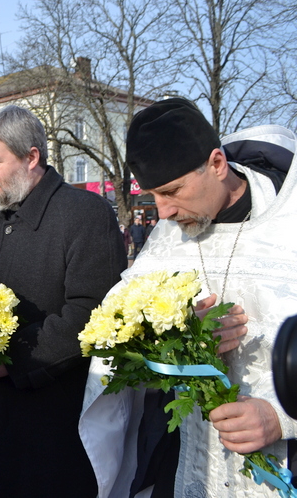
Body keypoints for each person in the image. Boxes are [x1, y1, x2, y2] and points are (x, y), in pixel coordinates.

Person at [79, 97, 297, 498]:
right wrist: (172, 347)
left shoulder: (290, 221)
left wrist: (282, 419)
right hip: (186, 458)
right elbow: (122, 329)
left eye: (172, 191)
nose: (162, 213)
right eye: (152, 195)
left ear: (217, 164)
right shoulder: (168, 236)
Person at [0, 105, 125, 497]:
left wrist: (10, 358)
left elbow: (90, 313)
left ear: (32, 157)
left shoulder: (85, 213)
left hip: (59, 412)